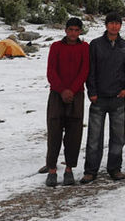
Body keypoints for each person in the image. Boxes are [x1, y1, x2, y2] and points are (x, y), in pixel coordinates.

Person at [80, 11, 125, 184]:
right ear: (106, 25)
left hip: (118, 98)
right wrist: (92, 91)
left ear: (120, 26)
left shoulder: (124, 45)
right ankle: (90, 170)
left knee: (118, 136)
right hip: (99, 98)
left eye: (117, 23)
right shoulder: (95, 44)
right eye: (111, 23)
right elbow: (91, 70)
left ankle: (114, 168)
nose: (114, 26)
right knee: (94, 137)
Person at [43, 17, 90, 187]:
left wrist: (72, 89)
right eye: (70, 30)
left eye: (77, 30)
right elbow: (51, 71)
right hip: (57, 95)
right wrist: (62, 90)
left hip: (76, 95)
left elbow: (85, 70)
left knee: (74, 134)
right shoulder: (56, 47)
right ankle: (52, 170)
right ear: (65, 30)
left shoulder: (85, 47)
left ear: (80, 32)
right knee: (54, 132)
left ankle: (69, 169)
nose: (73, 33)